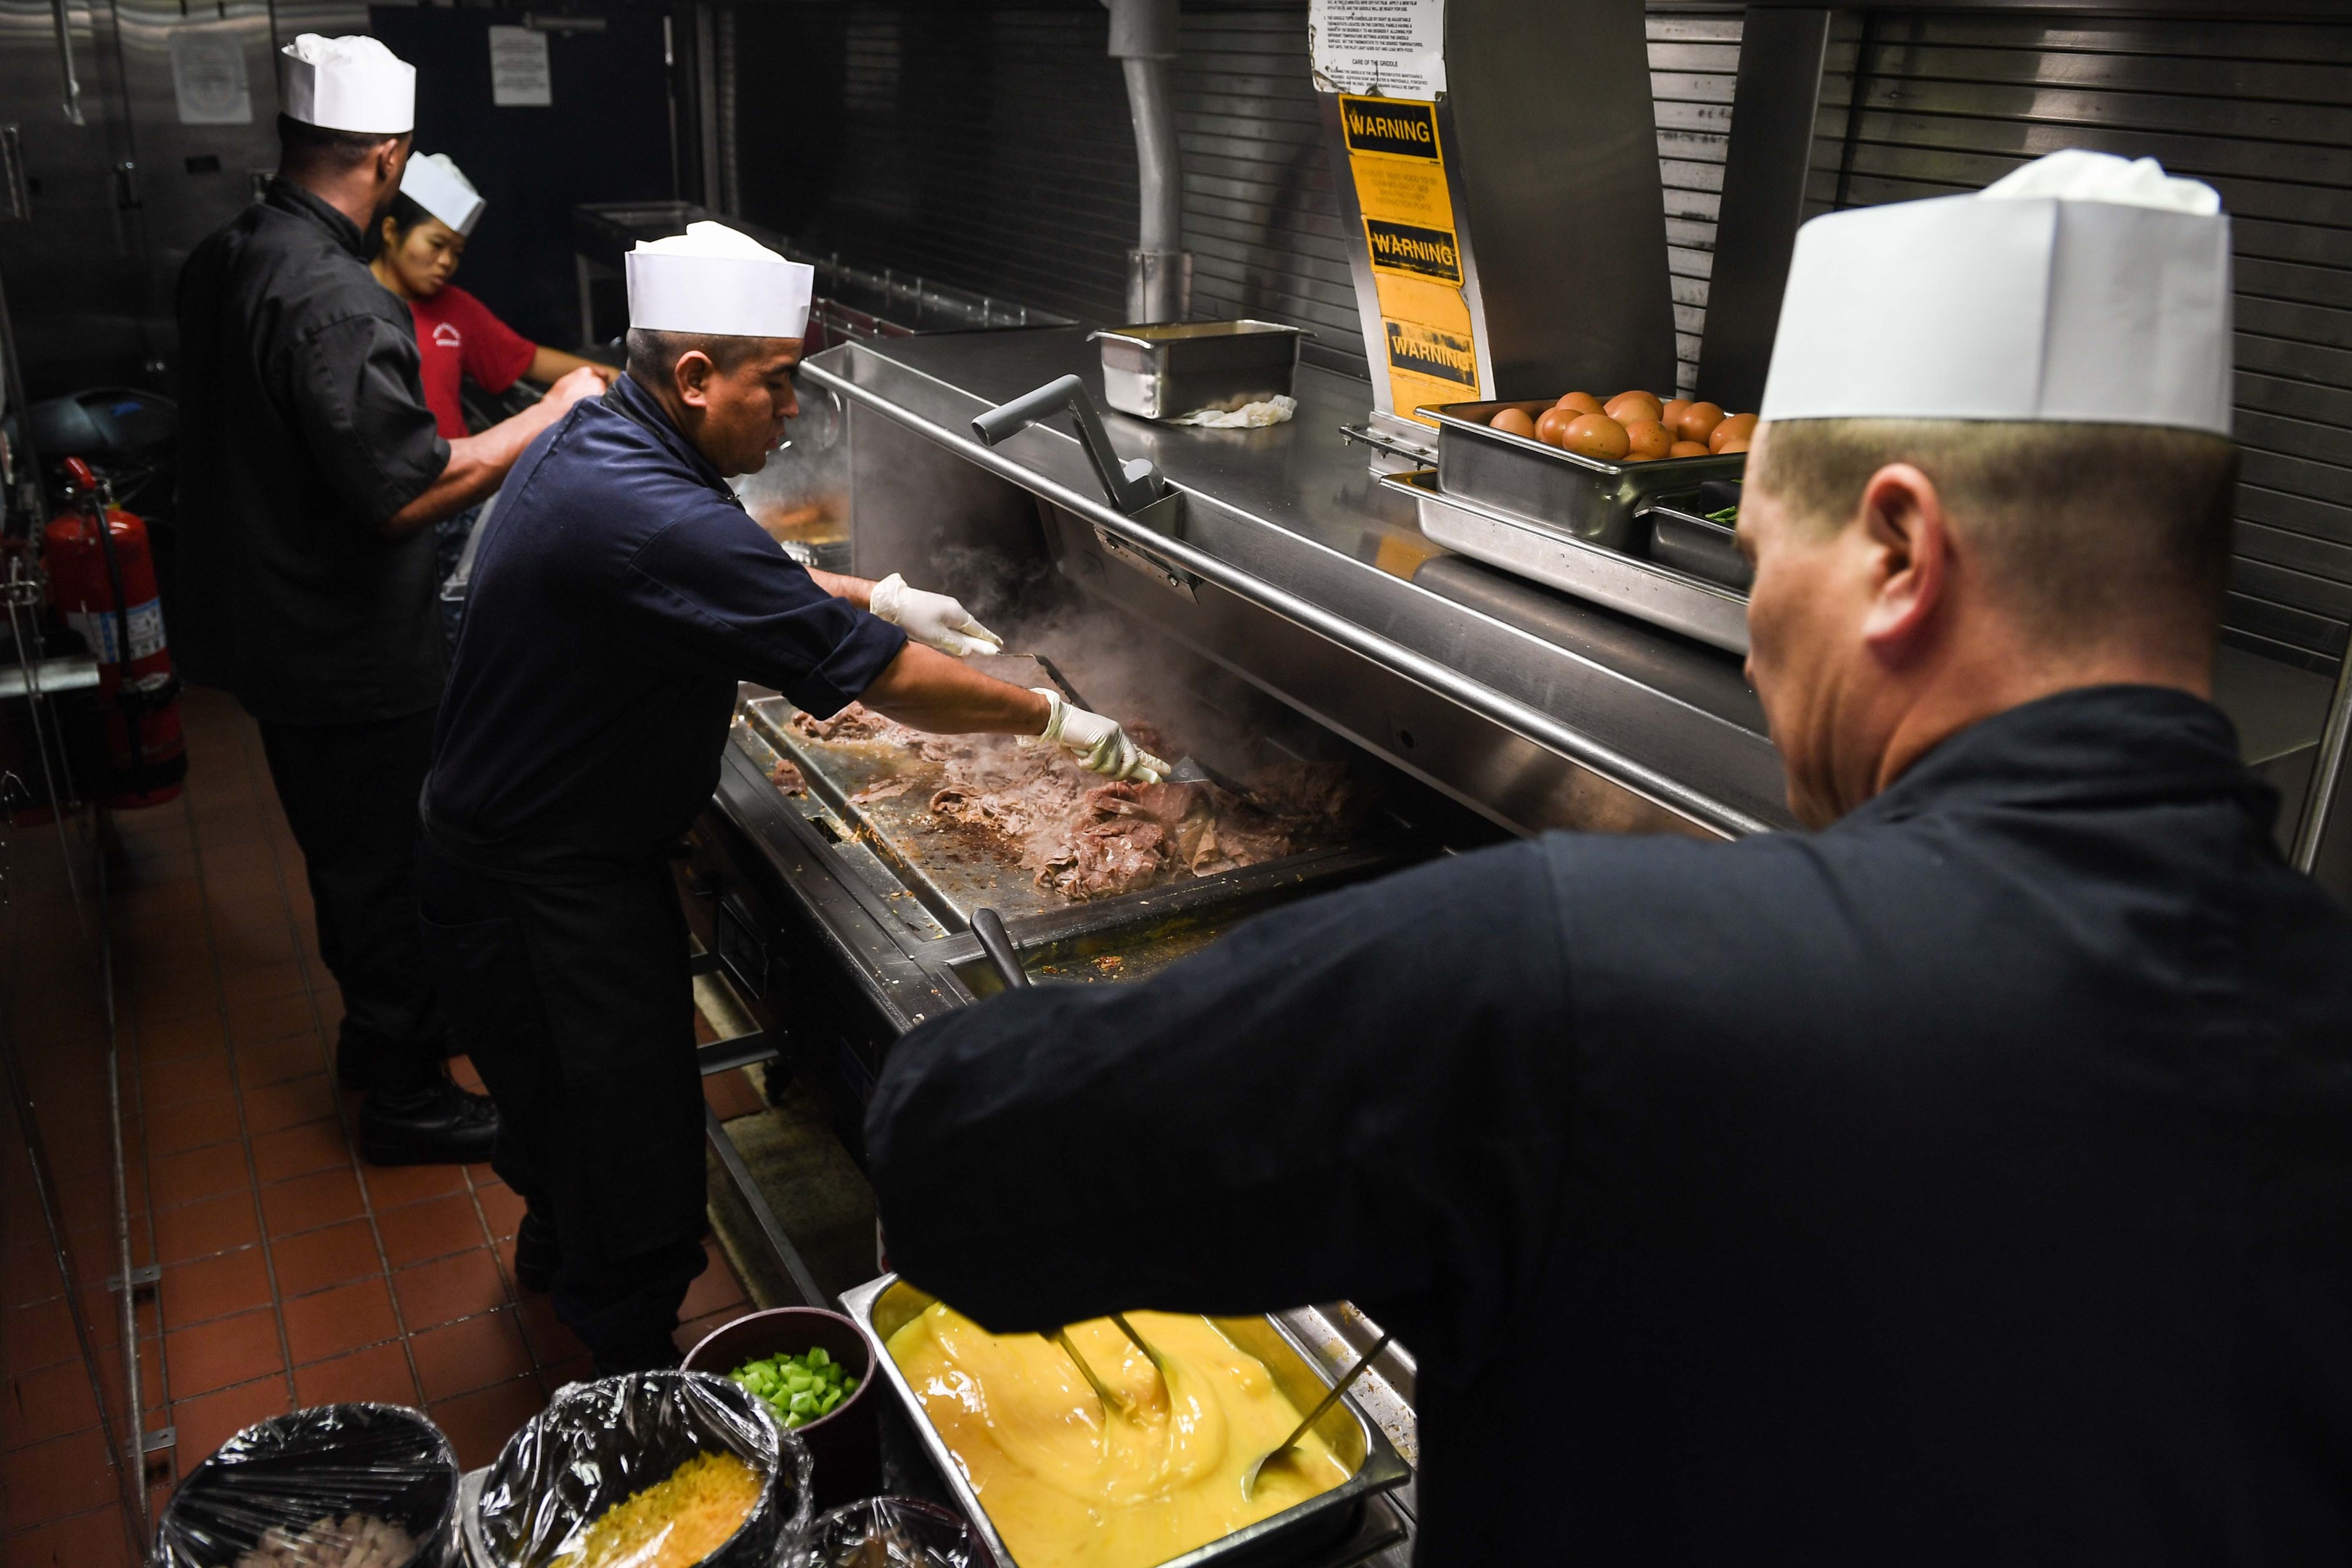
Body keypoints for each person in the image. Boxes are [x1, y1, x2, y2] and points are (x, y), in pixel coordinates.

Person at [862, 150, 2352, 1564]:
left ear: (1900, 552)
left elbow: (963, 1160)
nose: (1764, 657)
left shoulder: (1582, 987)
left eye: (1765, 567)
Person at [416, 221, 1167, 1373]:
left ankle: (563, 1259)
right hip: (547, 893)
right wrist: (1059, 720)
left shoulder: (612, 438)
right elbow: (881, 680)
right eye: (781, 385)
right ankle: (634, 1407)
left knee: (566, 1128)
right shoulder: (642, 501)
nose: (794, 414)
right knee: (636, 1173)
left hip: (515, 858)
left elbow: (725, 568)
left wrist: (875, 590)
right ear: (697, 377)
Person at [174, 34, 608, 1165]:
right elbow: (405, 491)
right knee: (383, 867)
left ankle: (384, 1044)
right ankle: (408, 1099)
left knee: (350, 854)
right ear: (385, 155)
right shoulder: (333, 300)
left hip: (272, 621)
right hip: (344, 646)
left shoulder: (229, 254)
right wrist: (545, 415)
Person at [368, 152, 618, 642]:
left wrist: (618, 376)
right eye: (436, 244)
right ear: (392, 230)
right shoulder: (354, 306)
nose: (446, 263)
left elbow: (528, 359)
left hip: (457, 491)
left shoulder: (455, 310)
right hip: (393, 499)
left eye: (457, 252)